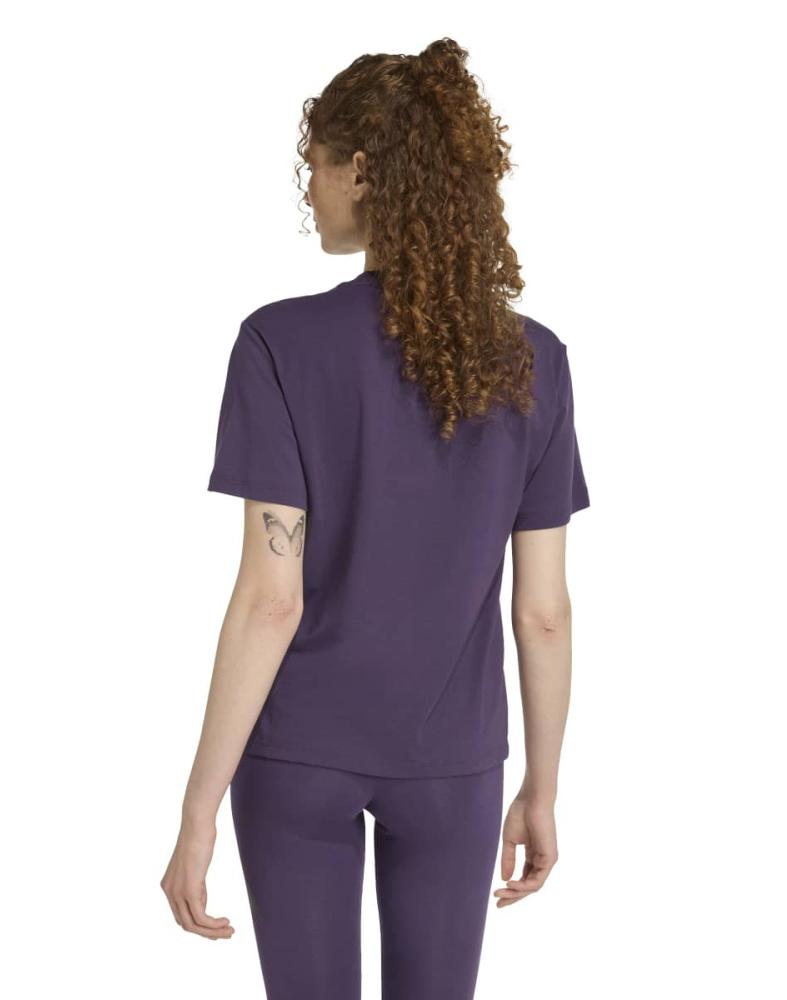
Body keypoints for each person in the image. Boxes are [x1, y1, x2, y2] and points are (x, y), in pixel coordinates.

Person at [160, 37, 591, 1000]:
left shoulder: (278, 343)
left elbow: (270, 601)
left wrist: (197, 809)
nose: (308, 191)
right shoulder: (536, 362)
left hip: (295, 758)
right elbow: (543, 613)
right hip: (454, 765)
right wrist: (544, 784)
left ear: (361, 170)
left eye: (312, 165)